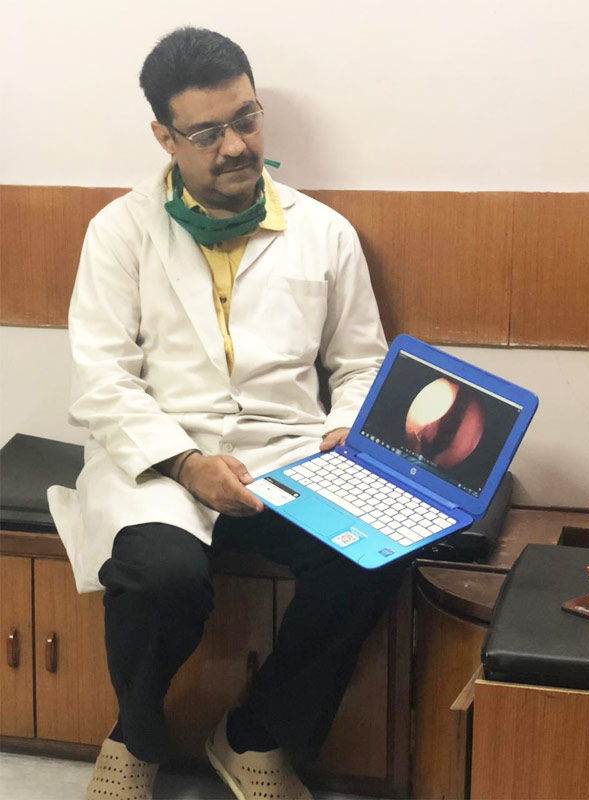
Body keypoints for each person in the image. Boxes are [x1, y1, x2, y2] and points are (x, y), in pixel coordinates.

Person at [48, 26, 405, 800]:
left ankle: (256, 735)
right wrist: (186, 464)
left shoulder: (324, 232)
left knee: (372, 555)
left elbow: (359, 363)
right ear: (164, 137)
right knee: (158, 577)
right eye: (207, 132)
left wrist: (344, 426)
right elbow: (102, 378)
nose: (235, 145)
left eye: (246, 119)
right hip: (158, 464)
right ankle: (138, 736)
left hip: (287, 454)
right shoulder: (119, 231)